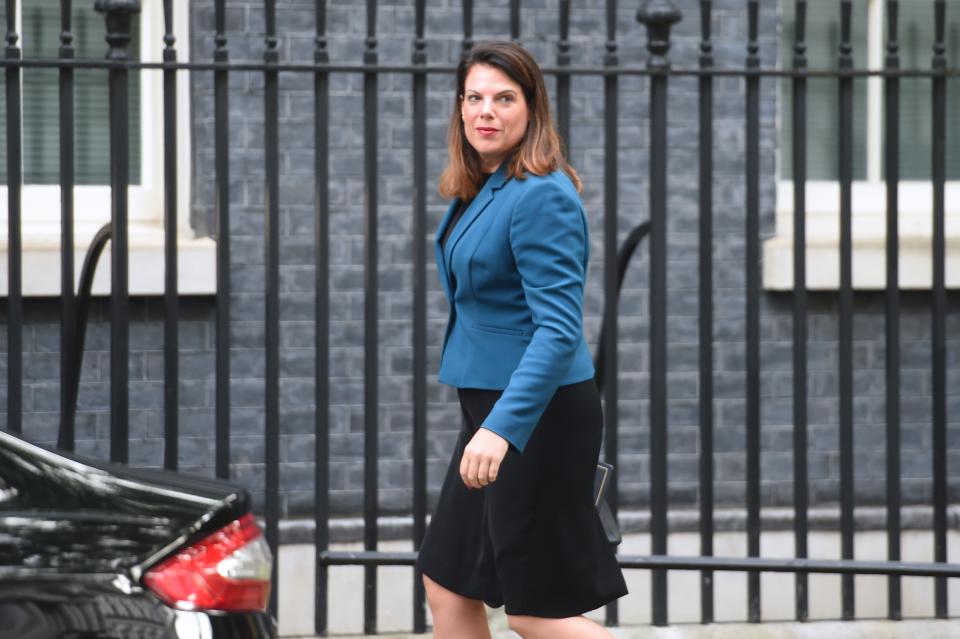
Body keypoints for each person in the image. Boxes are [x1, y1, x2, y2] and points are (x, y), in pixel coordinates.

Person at [415, 40, 628, 639]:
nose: (487, 111)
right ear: (459, 109)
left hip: (535, 419)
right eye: (475, 97)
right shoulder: (483, 186)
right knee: (448, 582)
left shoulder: (542, 194)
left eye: (504, 98)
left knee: (535, 610)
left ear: (532, 110)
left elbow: (559, 330)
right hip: (488, 411)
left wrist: (502, 428)